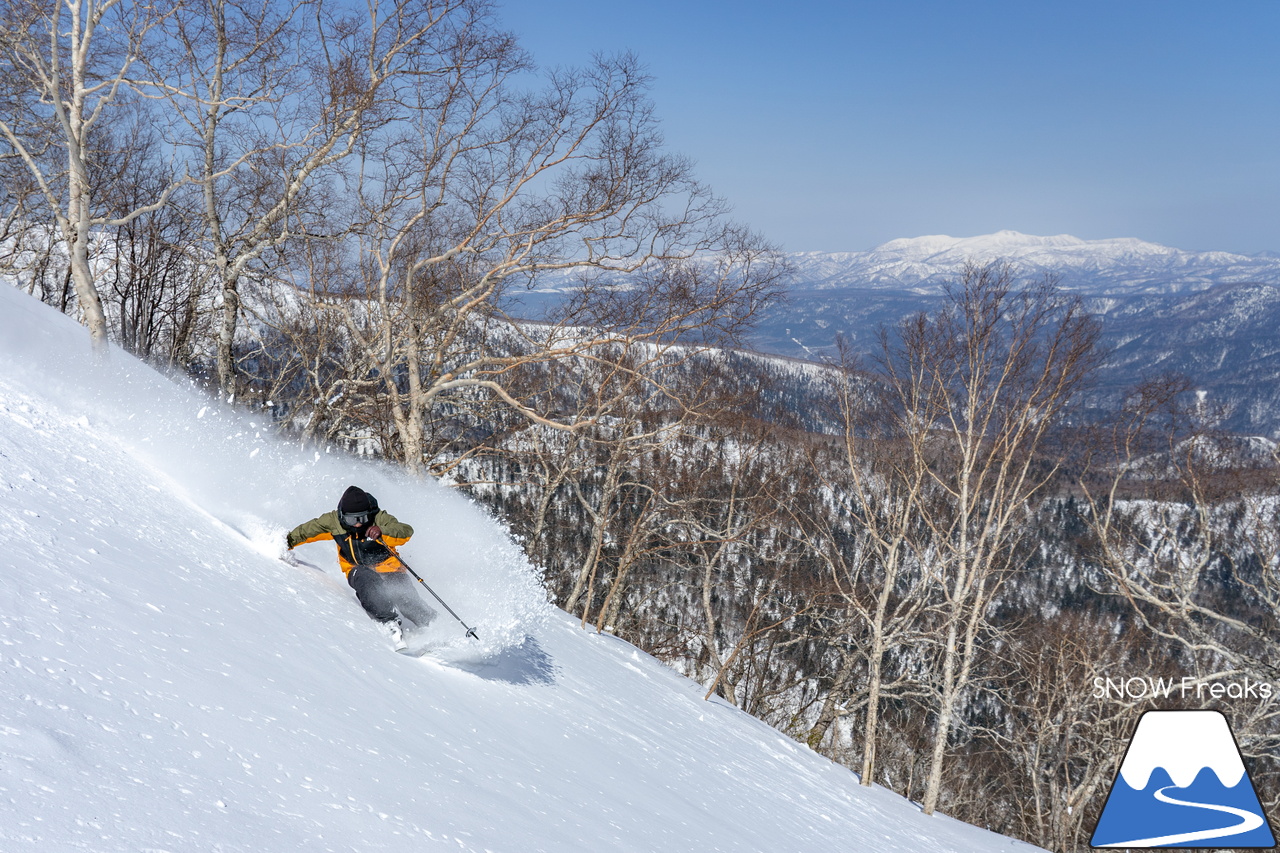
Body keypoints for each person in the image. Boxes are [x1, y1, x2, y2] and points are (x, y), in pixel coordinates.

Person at [286, 485, 435, 648]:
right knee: (367, 581)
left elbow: (405, 531)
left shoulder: (379, 517)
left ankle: (433, 626)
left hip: (389, 568)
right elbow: (306, 531)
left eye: (361, 519)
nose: (357, 525)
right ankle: (389, 623)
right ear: (343, 516)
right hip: (356, 568)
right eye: (352, 520)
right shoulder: (333, 522)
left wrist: (382, 531)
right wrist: (285, 543)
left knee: (405, 599)